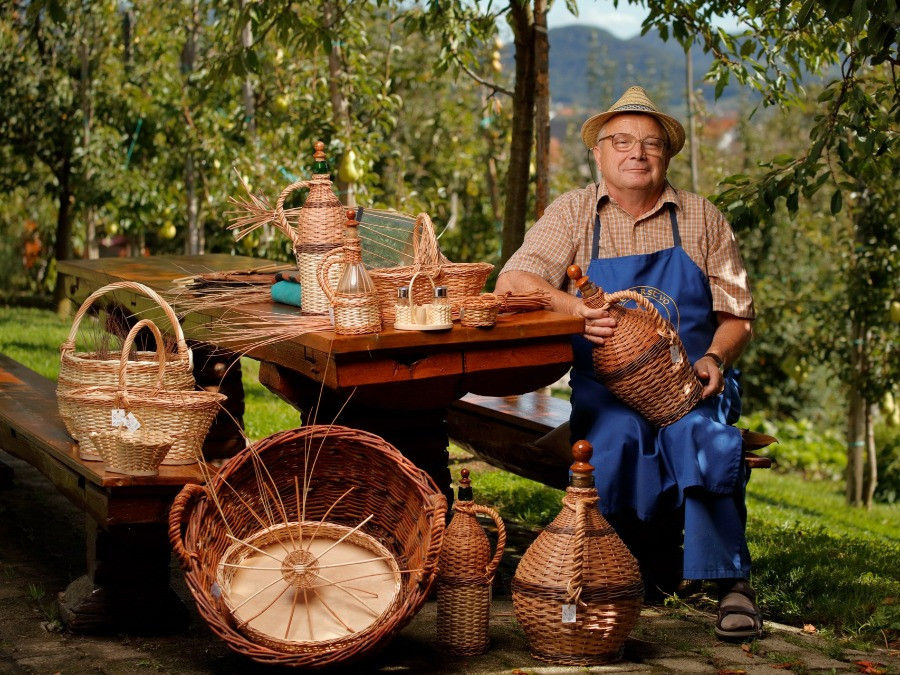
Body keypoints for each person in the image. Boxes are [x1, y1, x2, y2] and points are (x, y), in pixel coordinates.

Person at [495, 86, 762, 640]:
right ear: (599, 153)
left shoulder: (701, 218)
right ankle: (622, 573)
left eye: (650, 143)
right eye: (621, 141)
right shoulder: (574, 212)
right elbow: (513, 280)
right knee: (612, 442)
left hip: (693, 383)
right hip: (607, 388)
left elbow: (737, 315)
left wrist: (715, 356)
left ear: (666, 156)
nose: (636, 152)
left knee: (698, 435)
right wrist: (573, 309)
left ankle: (731, 582)